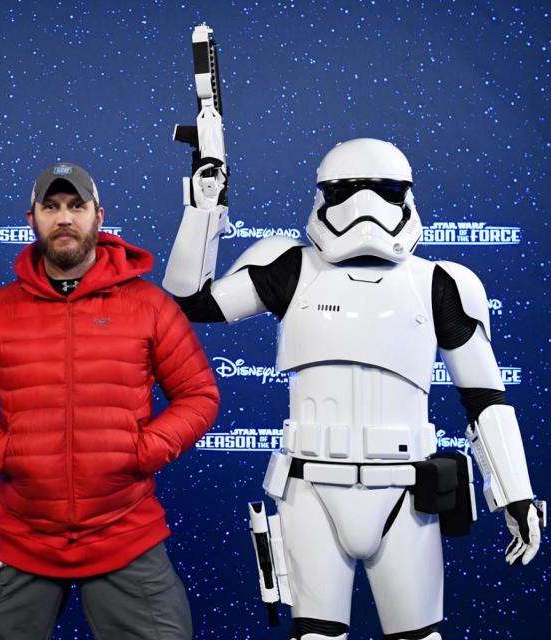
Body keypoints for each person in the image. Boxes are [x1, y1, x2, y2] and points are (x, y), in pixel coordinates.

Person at [163, 137, 544, 640]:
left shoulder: (440, 283)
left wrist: (517, 493)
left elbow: (485, 397)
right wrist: (203, 206)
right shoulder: (291, 267)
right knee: (317, 635)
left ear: (406, 196)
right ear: (323, 197)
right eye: (348, 190)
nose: (365, 206)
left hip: (405, 491)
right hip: (310, 488)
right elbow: (190, 302)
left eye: (383, 190)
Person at [0, 162, 220, 640]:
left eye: (76, 206)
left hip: (125, 532)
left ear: (98, 216)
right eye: (51, 207)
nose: (64, 218)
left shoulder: (148, 306)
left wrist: (142, 450)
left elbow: (199, 394)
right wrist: (4, 451)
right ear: (31, 220)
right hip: (25, 532)